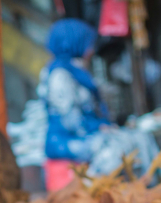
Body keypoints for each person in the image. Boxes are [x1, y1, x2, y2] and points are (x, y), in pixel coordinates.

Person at [41, 18, 111, 164]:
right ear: (74, 43)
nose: (91, 51)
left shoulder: (78, 71)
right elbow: (71, 120)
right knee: (113, 148)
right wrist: (98, 127)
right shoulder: (60, 75)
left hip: (85, 135)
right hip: (65, 142)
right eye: (88, 45)